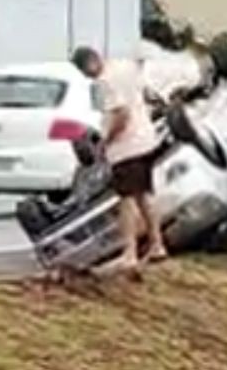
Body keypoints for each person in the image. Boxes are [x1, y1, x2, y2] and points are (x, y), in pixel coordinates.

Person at [71, 46, 166, 273]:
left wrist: (106, 141)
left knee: (126, 199)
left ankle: (129, 253)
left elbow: (121, 114)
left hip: (127, 147)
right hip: (146, 139)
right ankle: (157, 244)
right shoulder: (124, 68)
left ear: (91, 63)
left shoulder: (105, 82)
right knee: (144, 195)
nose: (88, 77)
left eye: (86, 72)